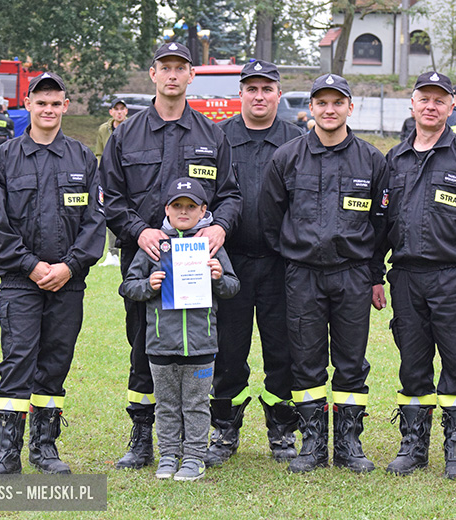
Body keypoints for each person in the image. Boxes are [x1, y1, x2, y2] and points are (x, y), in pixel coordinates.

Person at [101, 42, 241, 471]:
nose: (173, 75)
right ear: (154, 74)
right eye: (166, 67)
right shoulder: (127, 134)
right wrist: (139, 231)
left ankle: (196, 441)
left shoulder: (210, 134)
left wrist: (219, 227)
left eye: (181, 68)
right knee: (144, 345)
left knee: (198, 344)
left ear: (191, 75)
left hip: (200, 263)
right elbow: (110, 197)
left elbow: (231, 194)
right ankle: (144, 434)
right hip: (147, 258)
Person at [260, 73, 388, 474]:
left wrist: (372, 272)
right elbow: (269, 218)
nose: (329, 110)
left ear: (351, 107)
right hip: (303, 275)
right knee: (306, 361)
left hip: (352, 274)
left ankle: (349, 443)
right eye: (322, 103)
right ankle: (313, 443)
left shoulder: (371, 160)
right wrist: (295, 256)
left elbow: (383, 222)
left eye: (338, 103)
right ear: (310, 108)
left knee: (352, 361)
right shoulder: (287, 157)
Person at [0, 72, 105, 475]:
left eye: (56, 103)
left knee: (55, 362)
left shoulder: (83, 158)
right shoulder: (4, 157)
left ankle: (44, 448)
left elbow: (94, 221)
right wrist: (33, 266)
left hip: (69, 282)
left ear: (66, 107)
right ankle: (5, 451)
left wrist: (69, 266)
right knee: (17, 361)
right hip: (20, 281)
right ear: (28, 106)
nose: (48, 110)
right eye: (41, 103)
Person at [373, 71, 456, 479]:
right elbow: (379, 224)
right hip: (406, 275)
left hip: (454, 275)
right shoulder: (394, 158)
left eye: (439, 100)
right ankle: (413, 445)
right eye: (424, 99)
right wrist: (376, 273)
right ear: (413, 104)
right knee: (413, 362)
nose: (431, 106)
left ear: (451, 107)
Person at [205, 60, 303, 467]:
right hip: (231, 263)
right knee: (228, 350)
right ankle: (224, 430)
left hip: (283, 264)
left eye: (267, 89)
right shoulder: (218, 137)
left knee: (283, 350)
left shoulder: (298, 140)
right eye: (251, 89)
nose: (259, 96)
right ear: (240, 94)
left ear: (278, 94)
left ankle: (282, 431)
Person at [121, 178, 240, 481]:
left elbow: (232, 286)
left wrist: (217, 276)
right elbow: (128, 286)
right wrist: (148, 286)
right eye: (178, 206)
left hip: (201, 345)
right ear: (167, 210)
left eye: (191, 207)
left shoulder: (210, 246)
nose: (184, 212)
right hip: (161, 344)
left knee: (197, 404)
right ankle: (169, 455)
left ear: (203, 211)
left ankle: (195, 458)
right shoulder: (155, 245)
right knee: (167, 405)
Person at [95, 98, 129, 267]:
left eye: (122, 109)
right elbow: (99, 153)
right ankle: (112, 252)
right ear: (111, 112)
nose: (119, 112)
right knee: (112, 210)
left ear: (126, 111)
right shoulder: (104, 129)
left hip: (129, 174)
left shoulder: (133, 126)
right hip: (110, 176)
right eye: (116, 109)